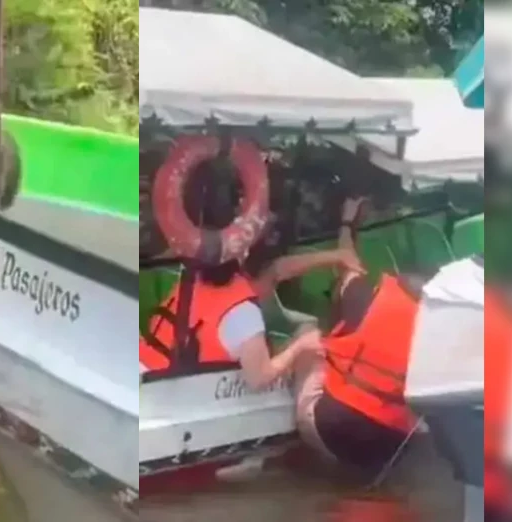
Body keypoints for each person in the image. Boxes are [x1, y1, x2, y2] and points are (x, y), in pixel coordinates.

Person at [139, 181, 364, 389]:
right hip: (173, 394)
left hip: (143, 371)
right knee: (307, 333)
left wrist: (336, 255)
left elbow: (277, 270)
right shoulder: (243, 312)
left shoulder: (195, 276)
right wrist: (301, 346)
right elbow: (259, 379)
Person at [292, 197, 428, 477]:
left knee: (308, 333)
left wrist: (347, 222)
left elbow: (347, 264)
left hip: (329, 426)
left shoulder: (365, 295)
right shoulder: (438, 329)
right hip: (387, 449)